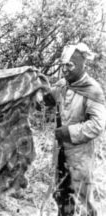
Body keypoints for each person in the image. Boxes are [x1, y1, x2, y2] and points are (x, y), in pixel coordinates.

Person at [45, 43, 106, 216]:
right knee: (61, 196)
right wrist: (43, 95)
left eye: (69, 65)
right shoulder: (63, 84)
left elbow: (98, 125)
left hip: (81, 157)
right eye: (63, 65)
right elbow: (48, 99)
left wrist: (68, 132)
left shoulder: (92, 90)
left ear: (81, 65)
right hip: (60, 154)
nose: (64, 70)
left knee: (82, 200)